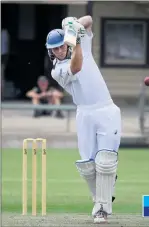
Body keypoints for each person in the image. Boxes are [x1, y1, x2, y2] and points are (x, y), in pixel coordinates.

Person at [45, 16, 121, 224]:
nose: (59, 51)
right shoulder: (57, 70)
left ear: (65, 44)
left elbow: (88, 20)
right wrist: (76, 39)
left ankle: (102, 210)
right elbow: (76, 66)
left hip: (106, 109)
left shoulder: (80, 43)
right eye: (55, 49)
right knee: (88, 165)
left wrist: (72, 24)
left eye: (61, 47)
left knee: (104, 162)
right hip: (84, 113)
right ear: (50, 52)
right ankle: (100, 197)